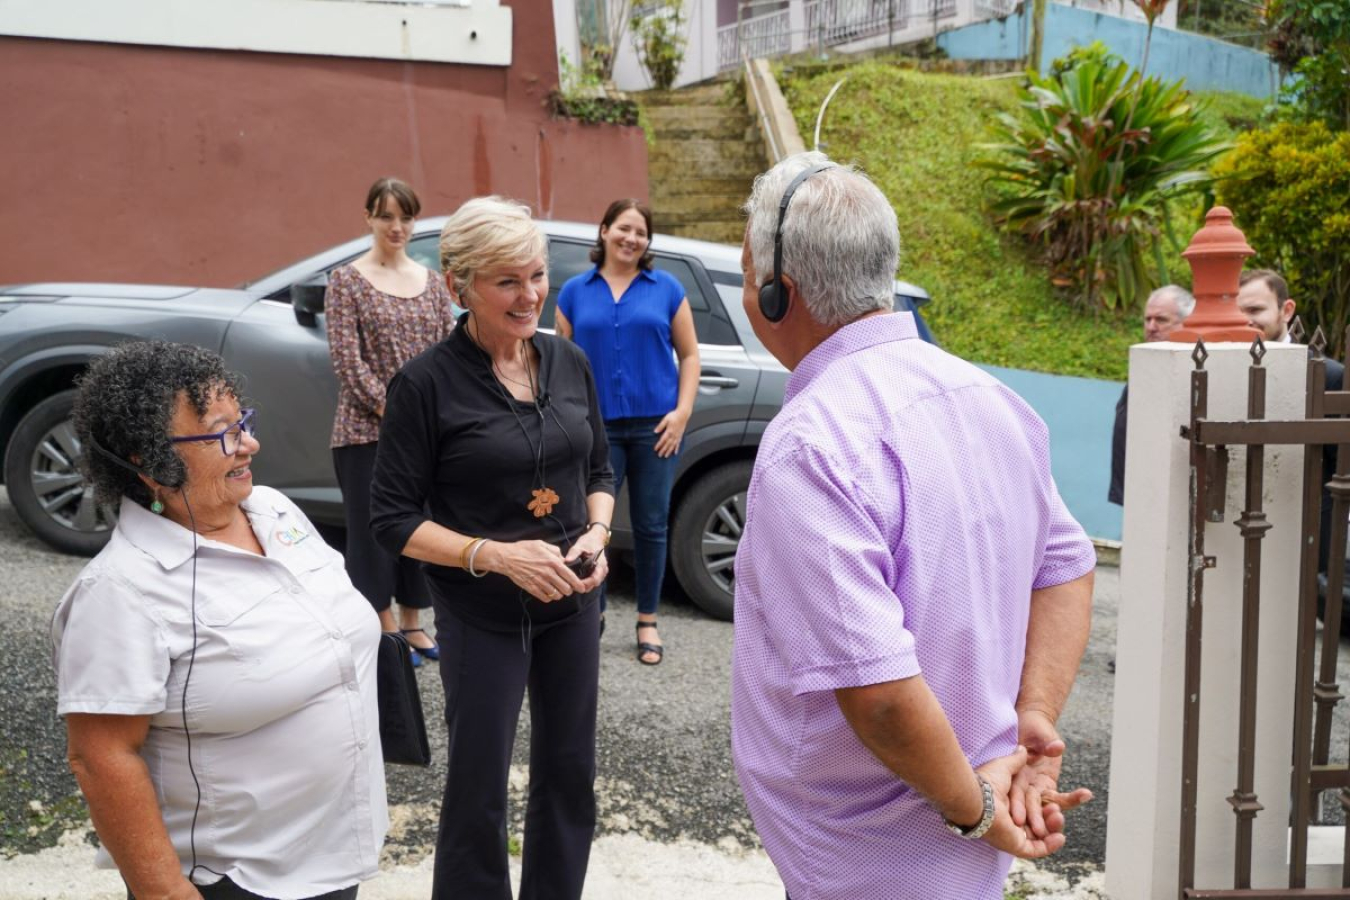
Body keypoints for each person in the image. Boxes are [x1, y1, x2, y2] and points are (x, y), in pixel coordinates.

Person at [729, 153, 1097, 900]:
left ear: (777, 294)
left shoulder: (812, 444)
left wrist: (977, 812)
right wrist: (1033, 719)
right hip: (959, 815)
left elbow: (883, 696)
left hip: (868, 855)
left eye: (746, 276)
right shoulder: (989, 395)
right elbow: (1068, 566)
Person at [52, 341, 386, 900]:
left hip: (333, 854)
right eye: (222, 433)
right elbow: (101, 755)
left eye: (243, 422)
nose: (250, 443)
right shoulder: (120, 591)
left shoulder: (275, 510)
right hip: (233, 878)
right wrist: (164, 891)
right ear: (148, 459)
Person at [369, 196, 614, 900]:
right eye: (506, 280)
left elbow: (598, 469)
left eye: (536, 275)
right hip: (482, 614)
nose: (530, 293)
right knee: (478, 785)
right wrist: (498, 555)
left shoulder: (567, 360)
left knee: (569, 773)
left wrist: (596, 534)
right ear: (458, 287)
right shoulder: (424, 385)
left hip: (572, 608)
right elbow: (392, 517)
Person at [556, 199, 699, 664]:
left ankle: (648, 619)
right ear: (603, 231)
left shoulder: (667, 289)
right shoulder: (576, 292)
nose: (631, 238)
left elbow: (690, 356)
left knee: (651, 526)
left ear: (647, 241)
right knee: (591, 524)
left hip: (656, 428)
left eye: (640, 232)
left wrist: (681, 414)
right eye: (623, 228)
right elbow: (561, 364)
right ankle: (589, 614)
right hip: (595, 430)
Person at [327, 176, 455, 664]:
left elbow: (448, 353)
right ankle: (381, 627)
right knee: (372, 530)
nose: (396, 226)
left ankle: (413, 622)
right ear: (368, 218)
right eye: (386, 216)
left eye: (405, 216)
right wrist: (395, 411)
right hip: (364, 433)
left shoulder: (431, 282)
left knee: (422, 525)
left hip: (425, 432)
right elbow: (346, 361)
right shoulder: (347, 280)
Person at [1238, 268, 1346, 586]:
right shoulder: (1214, 366)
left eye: (1256, 310)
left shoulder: (1328, 376)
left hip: (1307, 533)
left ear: (1287, 310)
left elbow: (1336, 471)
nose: (1246, 321)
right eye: (1238, 311)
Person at [1109, 284, 1195, 506]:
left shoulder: (1196, 367)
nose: (1151, 327)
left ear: (1187, 322)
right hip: (1139, 493)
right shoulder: (1144, 365)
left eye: (1161, 320)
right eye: (1147, 319)